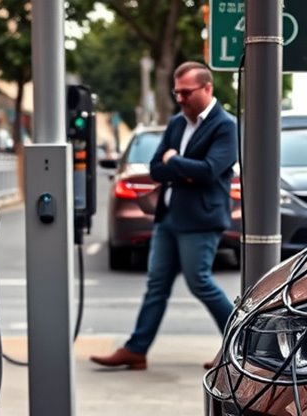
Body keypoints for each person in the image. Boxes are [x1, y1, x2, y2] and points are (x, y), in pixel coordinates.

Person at [90, 61, 237, 371]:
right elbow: (156, 167)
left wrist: (177, 162)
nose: (180, 98)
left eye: (186, 92)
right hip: (168, 217)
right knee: (156, 284)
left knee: (200, 283)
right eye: (176, 92)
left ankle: (240, 345)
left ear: (207, 88)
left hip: (200, 220)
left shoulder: (225, 126)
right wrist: (182, 168)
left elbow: (211, 171)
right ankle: (136, 349)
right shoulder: (176, 124)